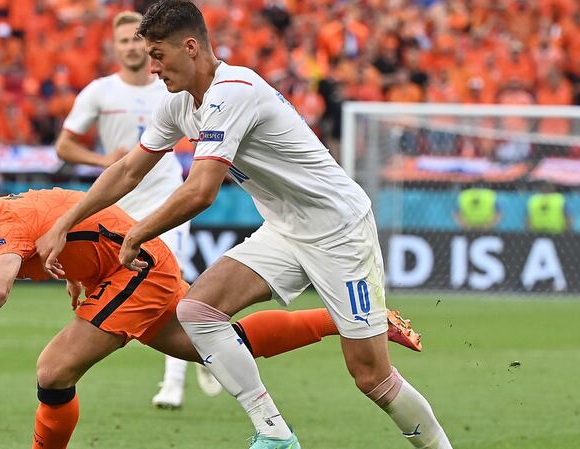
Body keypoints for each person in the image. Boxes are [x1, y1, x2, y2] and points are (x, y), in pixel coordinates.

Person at [34, 2, 452, 448]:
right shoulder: (178, 104)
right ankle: (274, 434)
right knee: (197, 310)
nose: (151, 67)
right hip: (284, 227)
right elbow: (127, 171)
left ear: (190, 47)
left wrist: (138, 232)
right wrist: (67, 221)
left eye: (158, 54)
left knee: (371, 377)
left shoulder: (233, 90)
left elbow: (200, 192)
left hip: (339, 231)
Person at [0, 189, 421, 449]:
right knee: (217, 345)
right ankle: (350, 320)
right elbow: (63, 220)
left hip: (134, 267)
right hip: (119, 271)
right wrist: (78, 271)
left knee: (53, 370)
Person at [56, 10, 219, 408]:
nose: (132, 47)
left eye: (137, 40)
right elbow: (64, 146)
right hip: (117, 208)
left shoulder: (173, 85)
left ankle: (173, 385)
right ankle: (207, 342)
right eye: (125, 41)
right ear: (116, 47)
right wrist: (102, 161)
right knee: (151, 291)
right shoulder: (99, 92)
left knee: (169, 280)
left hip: (166, 202)